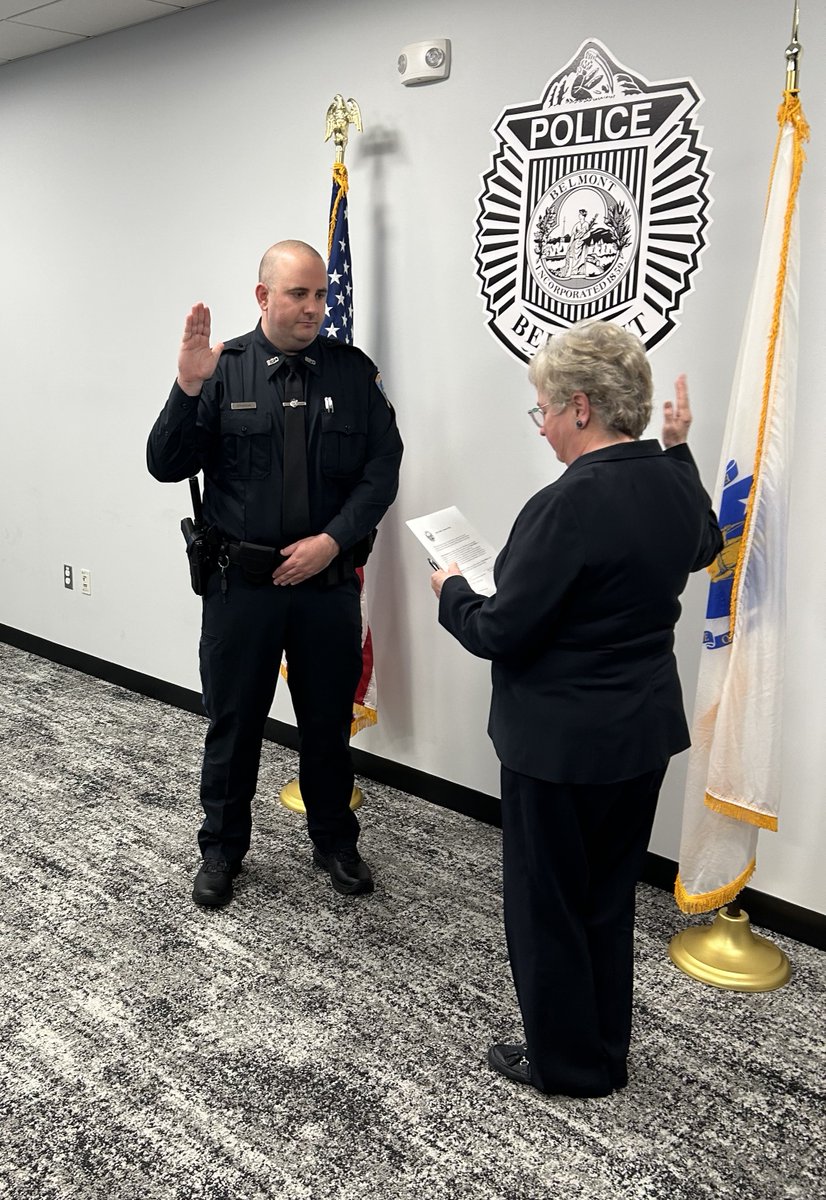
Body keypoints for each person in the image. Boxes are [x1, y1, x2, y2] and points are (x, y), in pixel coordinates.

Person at [430, 320, 721, 1097]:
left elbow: (500, 629)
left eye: (545, 411)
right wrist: (682, 445)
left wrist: (452, 591)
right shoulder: (669, 481)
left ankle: (566, 1065)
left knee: (546, 908)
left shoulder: (564, 504)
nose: (545, 427)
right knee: (604, 899)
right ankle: (603, 1049)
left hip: (558, 746)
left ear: (582, 407)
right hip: (639, 735)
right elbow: (702, 544)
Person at [147, 240, 403, 908]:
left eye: (320, 293)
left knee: (326, 724)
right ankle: (223, 849)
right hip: (243, 587)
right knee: (232, 724)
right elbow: (166, 464)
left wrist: (333, 541)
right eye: (299, 294)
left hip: (325, 586)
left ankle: (334, 840)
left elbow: (382, 471)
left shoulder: (351, 374)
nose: (314, 307)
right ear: (263, 297)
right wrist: (187, 387)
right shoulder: (222, 370)